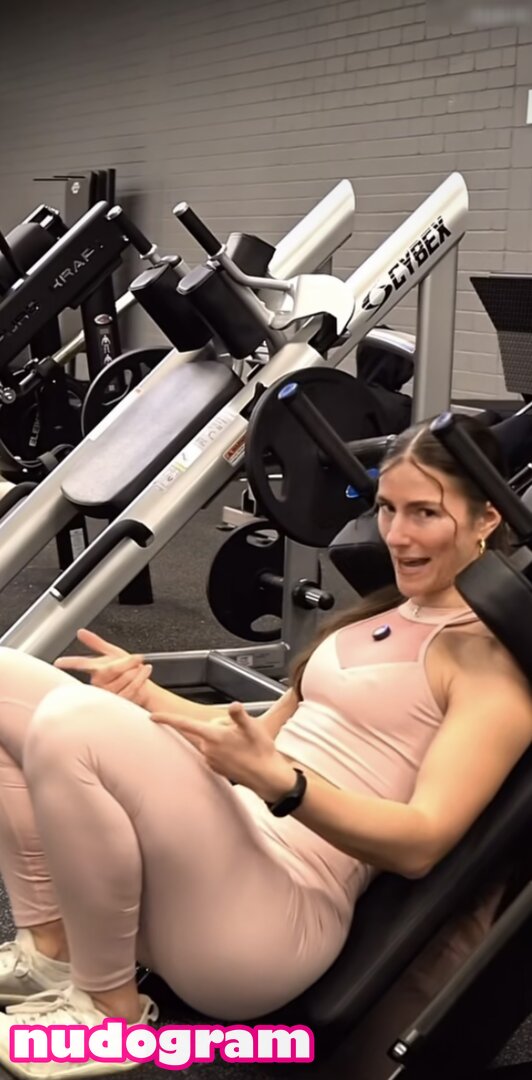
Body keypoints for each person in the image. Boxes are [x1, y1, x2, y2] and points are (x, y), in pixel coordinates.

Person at [0, 414, 529, 1079]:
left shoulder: (490, 665)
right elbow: (252, 741)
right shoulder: (373, 618)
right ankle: (52, 948)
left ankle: (107, 1013)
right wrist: (145, 699)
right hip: (214, 854)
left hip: (269, 919)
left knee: (71, 721)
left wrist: (285, 785)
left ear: (487, 518)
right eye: (387, 508)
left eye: (424, 512)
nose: (396, 535)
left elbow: (422, 843)